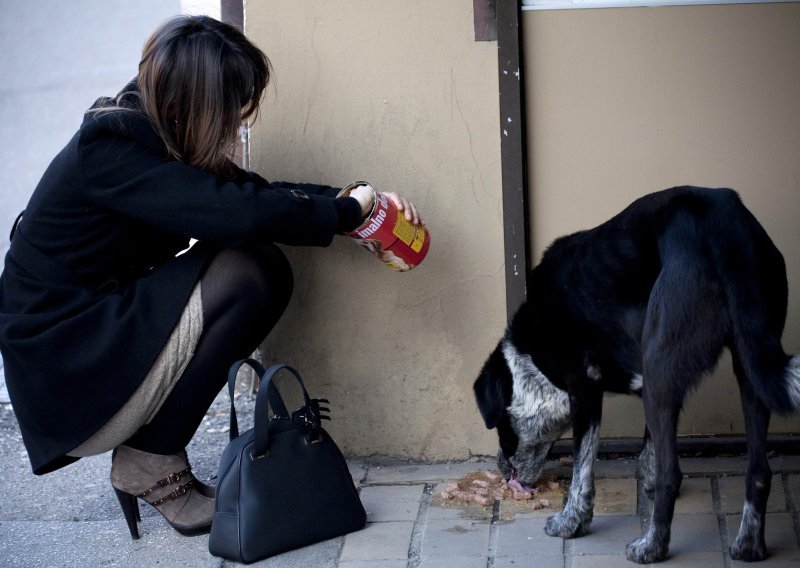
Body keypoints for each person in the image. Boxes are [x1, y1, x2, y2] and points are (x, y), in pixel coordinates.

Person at [0, 15, 422, 539]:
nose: (237, 124)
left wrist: (354, 203)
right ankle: (149, 462)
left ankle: (150, 457)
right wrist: (342, 215)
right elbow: (236, 214)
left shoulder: (153, 126)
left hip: (96, 328)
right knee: (250, 270)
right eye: (231, 109)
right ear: (193, 101)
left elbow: (252, 195)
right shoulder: (112, 150)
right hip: (67, 361)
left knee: (257, 261)